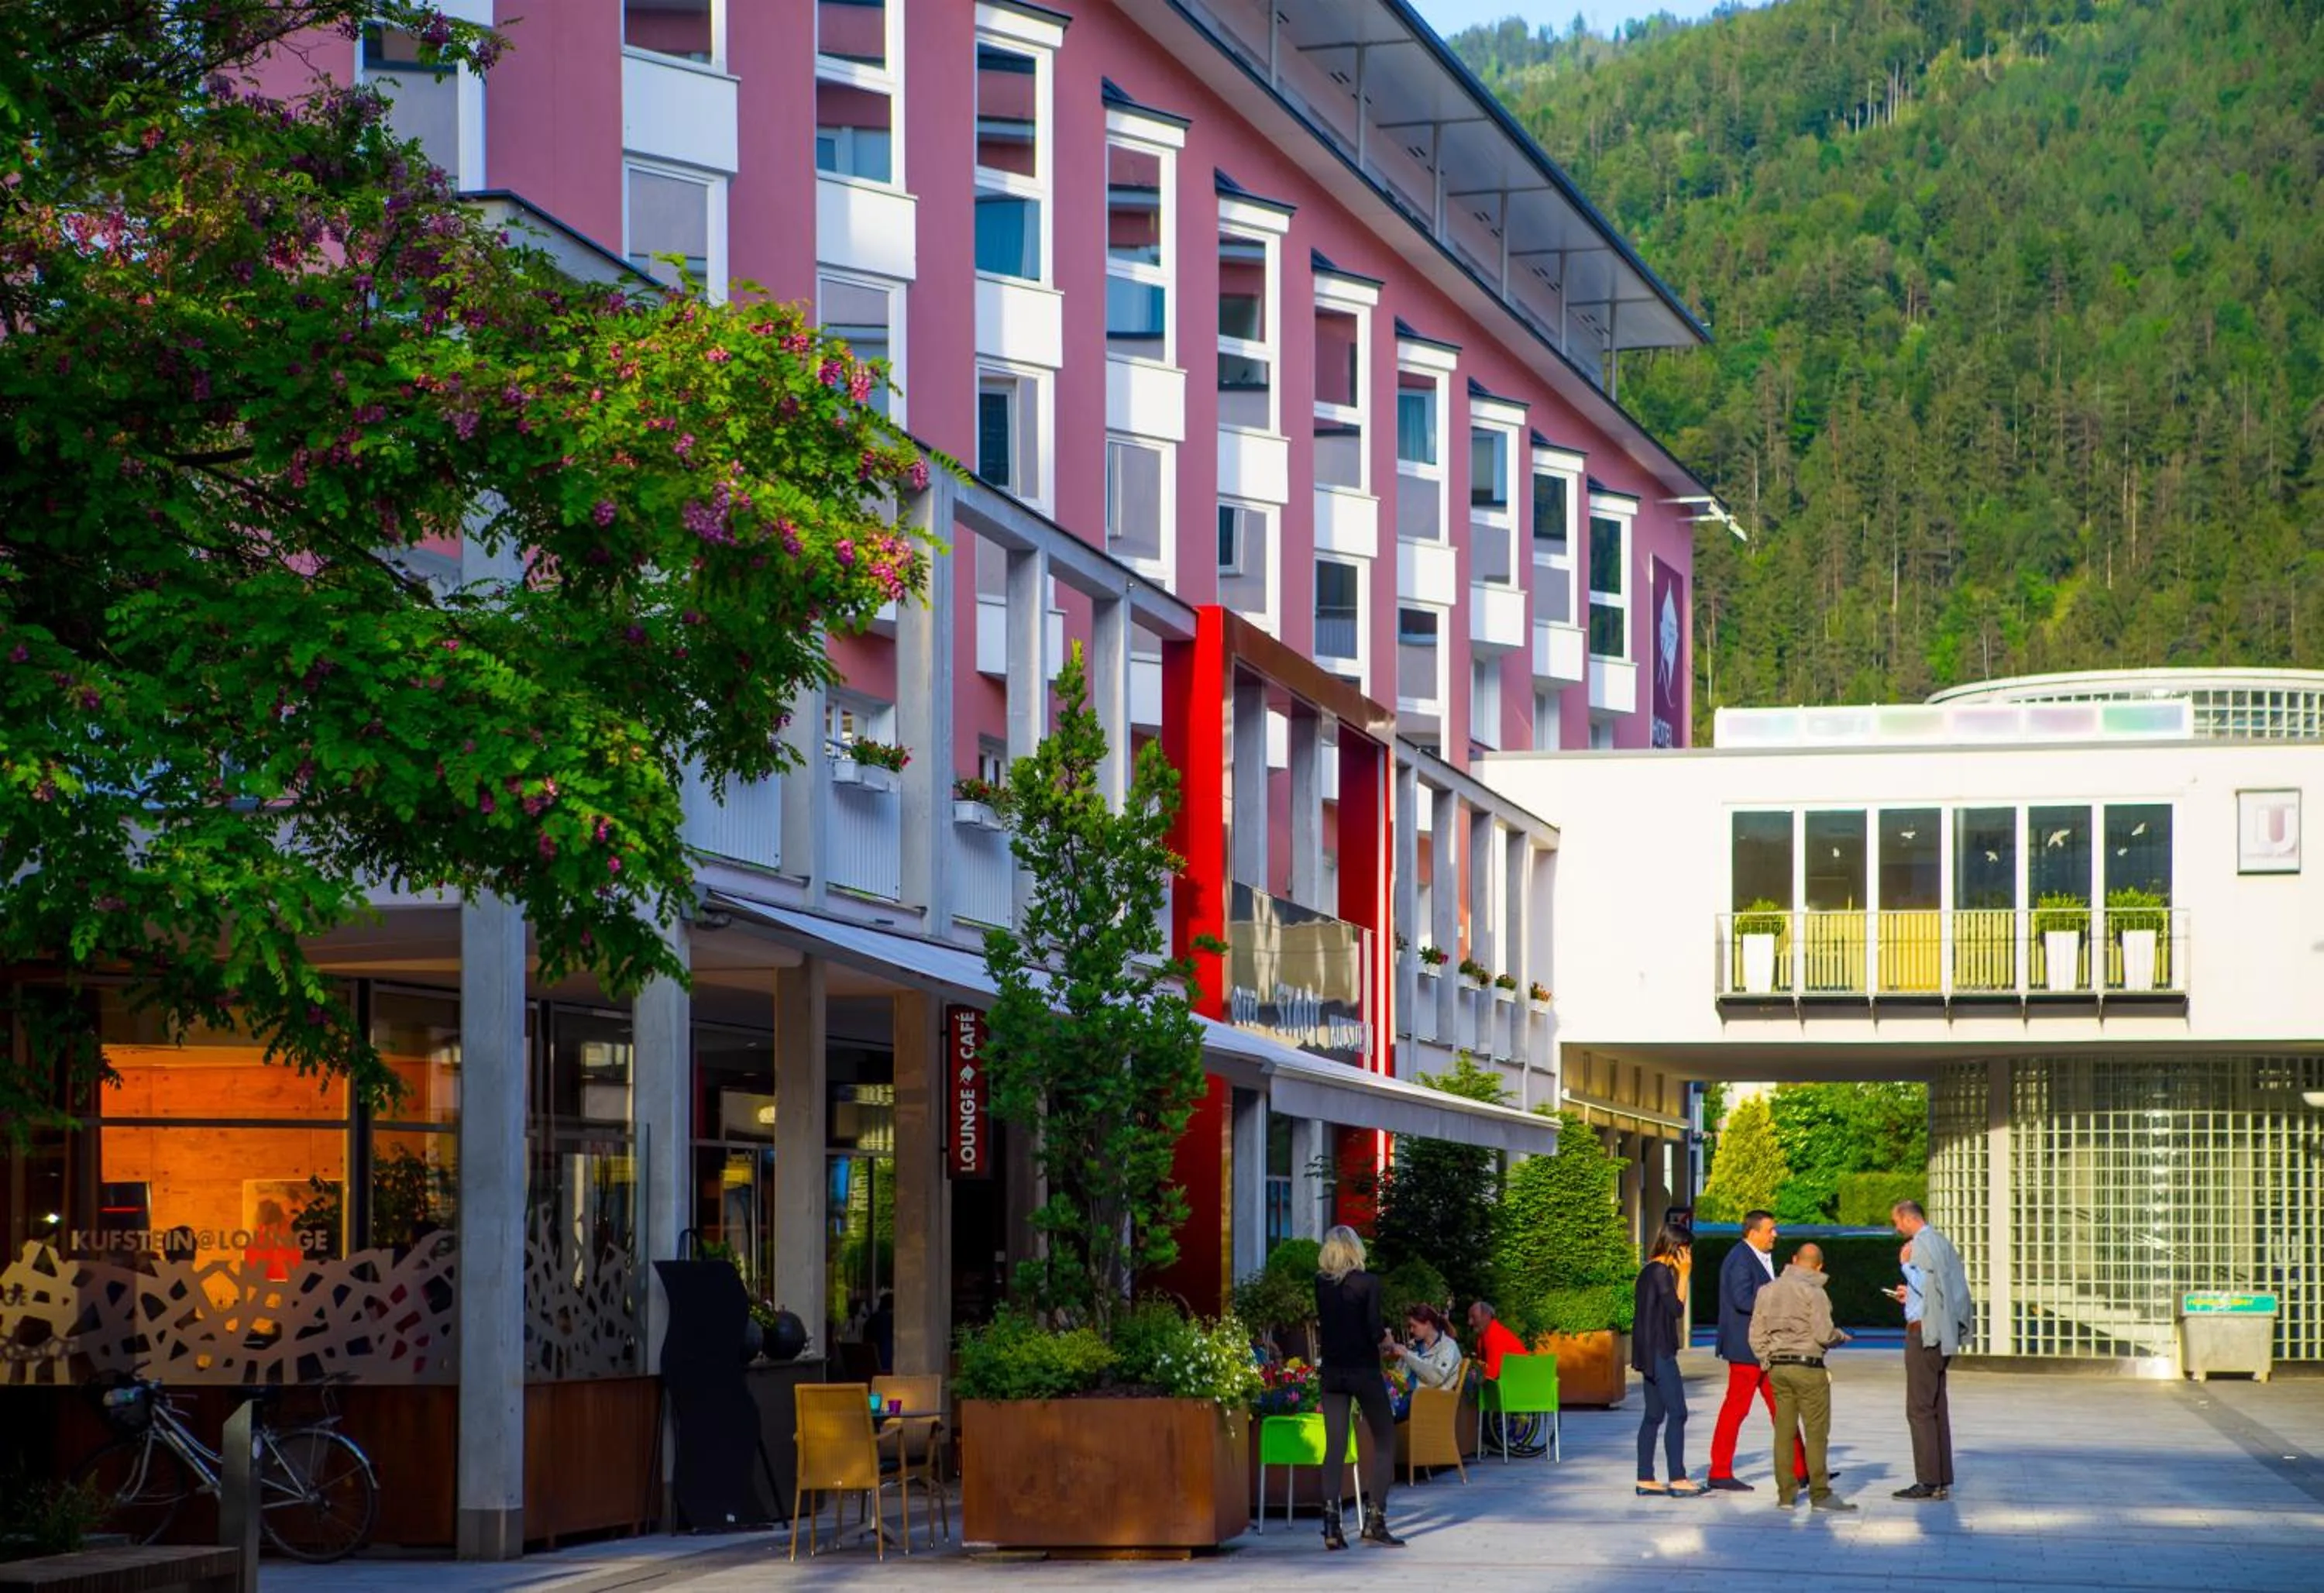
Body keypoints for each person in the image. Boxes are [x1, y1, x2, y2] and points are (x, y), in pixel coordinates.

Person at [1707, 1210, 1810, 1493]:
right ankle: (1719, 1471)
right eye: (1770, 1230)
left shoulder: (1756, 1256)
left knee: (1783, 1407)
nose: (1775, 1234)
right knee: (1736, 1409)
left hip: (1762, 1349)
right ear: (1753, 1232)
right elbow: (1742, 1300)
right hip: (1746, 1349)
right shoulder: (1740, 1258)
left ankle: (1802, 1470)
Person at [1314, 1225, 1404, 1549]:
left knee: (1335, 1447)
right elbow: (1373, 1328)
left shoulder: (1321, 1283)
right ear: (1356, 1249)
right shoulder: (1369, 1283)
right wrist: (1389, 1341)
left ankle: (1331, 1527)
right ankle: (1375, 1522)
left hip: (1333, 1373)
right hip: (1364, 1371)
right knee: (1385, 1438)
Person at [1747, 1242, 1855, 1512]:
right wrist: (1841, 1336)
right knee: (1816, 1432)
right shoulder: (1815, 1292)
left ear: (1794, 1260)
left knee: (1784, 1431)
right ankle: (1820, 1494)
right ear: (1819, 1266)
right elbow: (1823, 1334)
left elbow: (1755, 1333)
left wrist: (1766, 1359)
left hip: (1778, 1369)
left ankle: (1786, 1494)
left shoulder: (1767, 1290)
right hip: (1809, 1367)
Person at [1891, 1199, 1972, 1500]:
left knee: (1919, 1409)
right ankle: (1941, 1479)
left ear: (1906, 1218)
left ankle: (1926, 1480)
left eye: (1896, 1222)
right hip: (1941, 1332)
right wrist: (1908, 1294)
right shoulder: (1942, 1242)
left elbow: (1926, 1282)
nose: (1896, 1228)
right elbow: (1941, 1288)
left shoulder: (1919, 1245)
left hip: (1924, 1334)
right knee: (1937, 1406)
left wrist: (1904, 1266)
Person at [1631, 1222, 1703, 1497]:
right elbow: (1676, 1309)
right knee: (1678, 1412)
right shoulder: (1661, 1272)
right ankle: (1678, 1477)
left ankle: (1645, 1478)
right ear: (1677, 1248)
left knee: (1653, 1415)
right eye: (1686, 1251)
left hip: (1648, 1352)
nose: (1688, 1257)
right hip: (1660, 1352)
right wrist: (1684, 1275)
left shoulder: (1648, 1270)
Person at [1393, 1304, 1462, 1390]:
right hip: (1407, 1395)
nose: (1411, 1330)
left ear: (1428, 1324)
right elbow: (1398, 1373)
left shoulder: (1448, 1346)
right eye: (1409, 1327)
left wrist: (1407, 1355)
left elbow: (1436, 1378)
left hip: (1431, 1399)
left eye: (1414, 1326)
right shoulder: (1413, 1345)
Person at [1467, 1299, 1528, 1381]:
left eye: (1473, 1317)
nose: (1469, 1322)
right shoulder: (1485, 1335)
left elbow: (1492, 1374)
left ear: (1486, 1316)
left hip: (1514, 1384)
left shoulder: (1494, 1334)